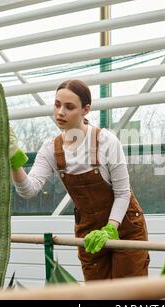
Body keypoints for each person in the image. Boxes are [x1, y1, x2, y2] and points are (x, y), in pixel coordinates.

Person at [9, 79, 149, 281]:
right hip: (89, 232)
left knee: (129, 294)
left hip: (125, 226)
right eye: (57, 105)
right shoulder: (51, 149)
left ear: (85, 110)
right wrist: (14, 160)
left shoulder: (106, 141)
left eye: (69, 107)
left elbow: (122, 193)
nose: (60, 112)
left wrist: (111, 228)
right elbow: (28, 190)